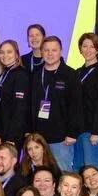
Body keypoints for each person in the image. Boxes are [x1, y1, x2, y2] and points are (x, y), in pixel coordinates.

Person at [29, 34, 81, 172]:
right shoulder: (35, 75)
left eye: (54, 50)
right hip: (39, 138)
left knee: (62, 173)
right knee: (40, 175)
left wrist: (72, 133)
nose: (50, 54)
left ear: (60, 51)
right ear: (41, 52)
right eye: (46, 50)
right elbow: (30, 106)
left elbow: (76, 106)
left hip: (61, 138)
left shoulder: (70, 75)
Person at [72, 33, 98, 172]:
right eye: (85, 46)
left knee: (92, 170)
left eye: (92, 47)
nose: (88, 50)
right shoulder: (77, 72)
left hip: (93, 132)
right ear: (80, 49)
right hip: (78, 131)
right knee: (78, 170)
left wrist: (96, 131)